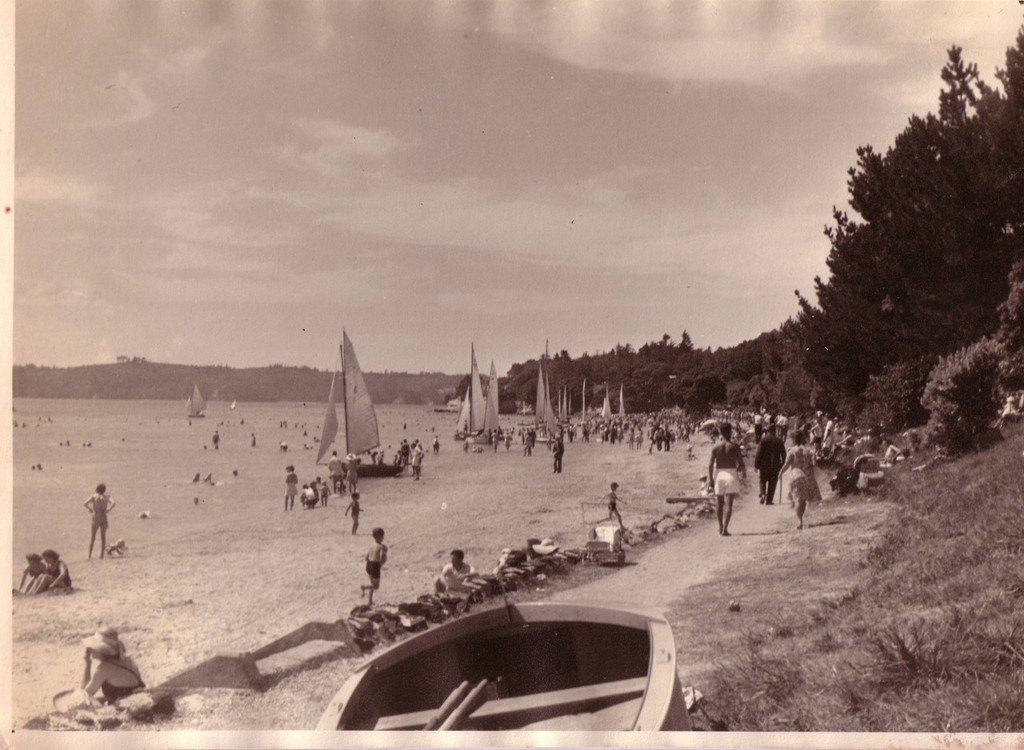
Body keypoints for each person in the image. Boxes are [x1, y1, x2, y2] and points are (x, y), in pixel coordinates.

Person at [80, 628, 145, 705]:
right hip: (135, 702)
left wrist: (87, 664)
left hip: (124, 709)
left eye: (92, 648)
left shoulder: (104, 669)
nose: (89, 650)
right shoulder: (128, 661)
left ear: (102, 650)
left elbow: (84, 696)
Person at [778, 429, 822, 530]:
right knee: (804, 500)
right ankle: (801, 519)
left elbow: (787, 464)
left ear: (794, 440)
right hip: (808, 476)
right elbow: (814, 464)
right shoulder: (809, 451)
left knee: (798, 499)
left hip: (797, 476)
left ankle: (800, 521)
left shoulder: (792, 450)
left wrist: (780, 472)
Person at [708, 422, 746, 536]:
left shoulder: (715, 447)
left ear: (720, 432)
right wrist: (740, 470)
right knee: (729, 505)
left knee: (719, 504)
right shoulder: (734, 446)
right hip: (731, 473)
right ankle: (725, 528)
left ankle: (720, 527)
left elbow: (710, 465)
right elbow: (741, 464)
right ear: (730, 431)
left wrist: (710, 479)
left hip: (719, 474)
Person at [754, 424, 787, 505]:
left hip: (764, 464)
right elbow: (784, 454)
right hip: (775, 465)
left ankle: (763, 494)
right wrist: (782, 464)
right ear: (774, 431)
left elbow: (758, 453)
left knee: (762, 480)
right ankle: (769, 500)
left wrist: (756, 465)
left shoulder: (763, 440)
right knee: (773, 482)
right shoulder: (779, 441)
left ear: (767, 431)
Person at [84, 484, 116, 559]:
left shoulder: (94, 496)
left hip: (96, 518)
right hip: (104, 517)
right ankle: (101, 555)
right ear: (104, 490)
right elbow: (113, 503)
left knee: (93, 538)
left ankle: (89, 555)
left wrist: (90, 509)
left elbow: (85, 503)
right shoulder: (107, 497)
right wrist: (108, 509)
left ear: (97, 489)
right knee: (103, 537)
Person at [361, 527, 387, 605]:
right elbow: (383, 558)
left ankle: (370, 601)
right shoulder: (381, 546)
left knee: (372, 584)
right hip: (375, 566)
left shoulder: (371, 545)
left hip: (368, 565)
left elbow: (366, 557)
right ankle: (364, 587)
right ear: (381, 537)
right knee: (376, 586)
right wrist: (381, 564)